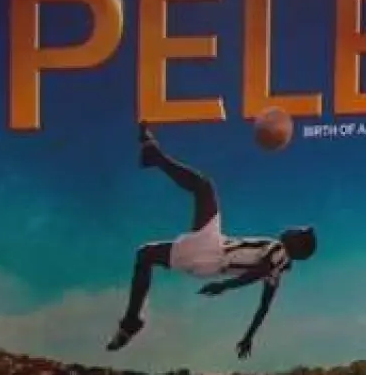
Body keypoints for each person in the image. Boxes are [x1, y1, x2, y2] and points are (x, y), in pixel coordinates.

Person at [105, 123, 318, 359]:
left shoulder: (279, 252)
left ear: (296, 244)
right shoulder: (276, 272)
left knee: (204, 186)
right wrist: (248, 337)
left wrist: (224, 287)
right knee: (145, 255)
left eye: (297, 231)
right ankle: (130, 322)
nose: (291, 229)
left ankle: (154, 155)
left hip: (213, 252)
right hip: (210, 257)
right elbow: (264, 307)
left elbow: (258, 271)